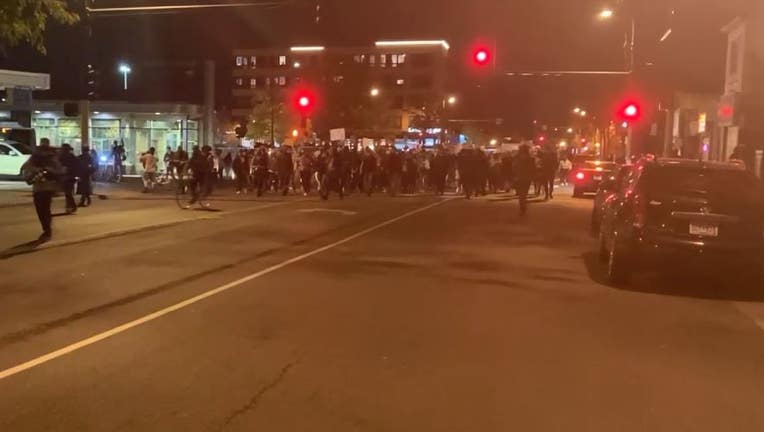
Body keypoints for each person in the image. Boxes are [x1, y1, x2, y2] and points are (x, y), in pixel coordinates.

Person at [21, 138, 62, 241]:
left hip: (45, 188)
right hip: (40, 188)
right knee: (42, 210)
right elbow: (26, 168)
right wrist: (37, 171)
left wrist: (48, 171)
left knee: (44, 210)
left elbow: (58, 170)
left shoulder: (51, 157)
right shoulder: (35, 157)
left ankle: (47, 230)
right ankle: (46, 229)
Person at [513, 145, 536, 216]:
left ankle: (522, 207)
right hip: (527, 178)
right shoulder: (531, 159)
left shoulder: (516, 158)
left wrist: (514, 176)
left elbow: (514, 168)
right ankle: (523, 206)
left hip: (519, 178)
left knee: (521, 194)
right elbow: (533, 169)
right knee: (524, 193)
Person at [58, 143, 79, 214]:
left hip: (68, 177)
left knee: (68, 193)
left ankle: (71, 206)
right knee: (68, 193)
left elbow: (76, 166)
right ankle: (69, 206)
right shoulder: (64, 156)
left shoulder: (68, 157)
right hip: (67, 177)